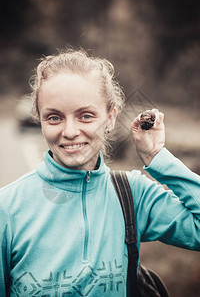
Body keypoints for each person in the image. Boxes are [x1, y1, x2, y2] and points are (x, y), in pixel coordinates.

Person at [0, 48, 200, 297]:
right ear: (40, 121)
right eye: (54, 118)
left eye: (85, 116)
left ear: (111, 117)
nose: (70, 131)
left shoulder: (132, 194)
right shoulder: (6, 209)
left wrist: (156, 157)